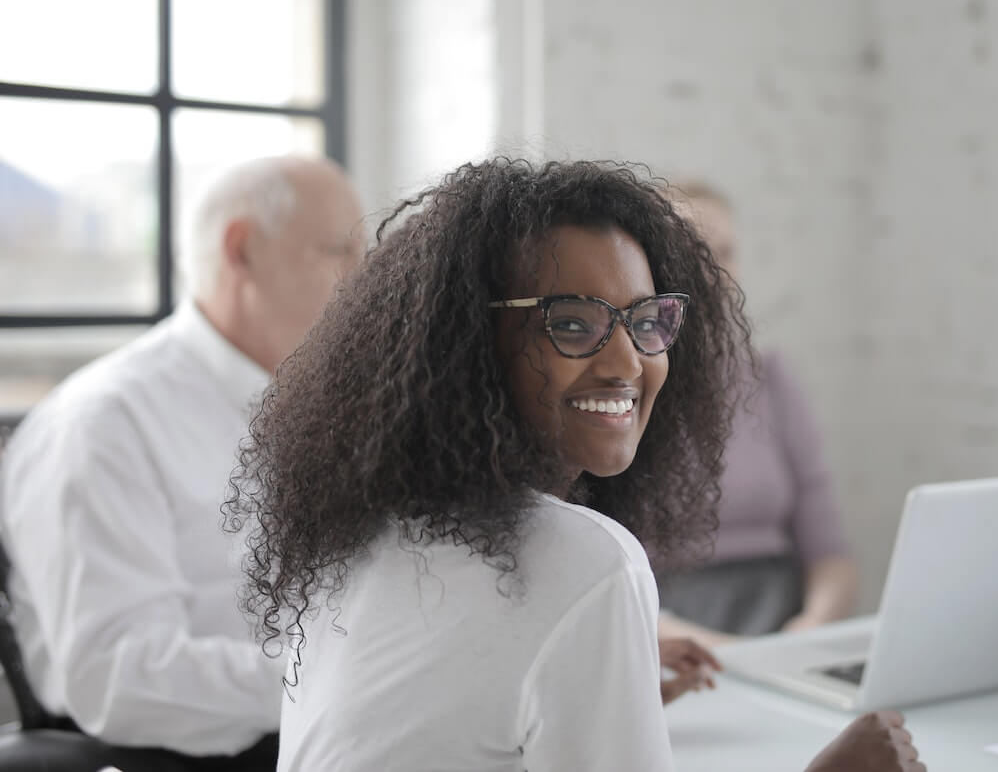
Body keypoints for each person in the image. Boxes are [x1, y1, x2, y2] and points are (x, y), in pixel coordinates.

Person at [226, 159, 924, 771]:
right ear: (467, 344)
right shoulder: (590, 564)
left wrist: (595, 688)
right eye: (571, 322)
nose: (628, 362)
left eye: (647, 320)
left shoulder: (359, 532)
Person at [0, 155, 365, 769]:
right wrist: (351, 678)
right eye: (338, 252)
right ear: (242, 249)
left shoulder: (331, 405)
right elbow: (121, 676)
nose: (361, 280)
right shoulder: (104, 425)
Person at [657, 182, 856, 646]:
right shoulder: (622, 388)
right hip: (672, 628)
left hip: (781, 617)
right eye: (692, 251)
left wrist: (810, 629)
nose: (711, 271)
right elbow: (610, 580)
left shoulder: (771, 377)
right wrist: (727, 655)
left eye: (724, 253)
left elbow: (831, 554)